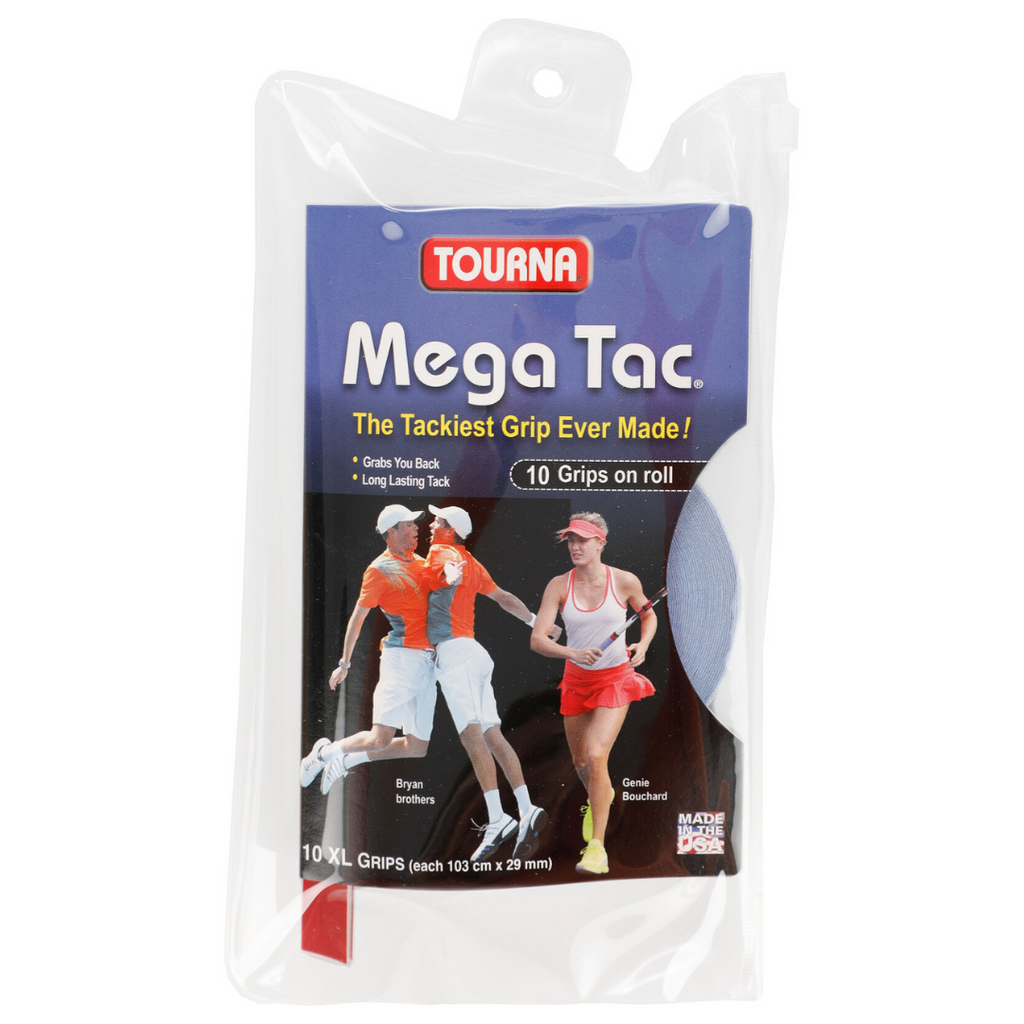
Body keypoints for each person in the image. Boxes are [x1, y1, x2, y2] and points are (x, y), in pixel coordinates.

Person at [424, 504, 559, 863]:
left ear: (449, 530)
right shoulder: (471, 561)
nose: (431, 524)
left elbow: (444, 571)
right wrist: (537, 623)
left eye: (437, 521)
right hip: (476, 655)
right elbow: (504, 598)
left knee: (472, 737)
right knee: (492, 736)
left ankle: (498, 818)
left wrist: (446, 574)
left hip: (456, 655)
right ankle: (526, 808)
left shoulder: (441, 552)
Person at [531, 513, 657, 876]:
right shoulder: (558, 585)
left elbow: (648, 615)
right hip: (576, 680)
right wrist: (573, 653)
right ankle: (600, 794)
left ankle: (596, 849)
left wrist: (643, 645)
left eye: (583, 540)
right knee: (581, 762)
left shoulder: (625, 581)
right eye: (571, 540)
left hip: (615, 679)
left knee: (595, 753)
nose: (575, 546)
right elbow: (537, 639)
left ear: (601, 543)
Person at [300, 504, 456, 794]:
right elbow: (358, 618)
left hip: (428, 663)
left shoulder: (421, 562)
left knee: (417, 747)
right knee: (379, 738)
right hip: (401, 660)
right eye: (408, 525)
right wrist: (345, 663)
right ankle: (322, 754)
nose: (416, 528)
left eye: (414, 523)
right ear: (391, 532)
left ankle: (345, 761)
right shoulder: (378, 570)